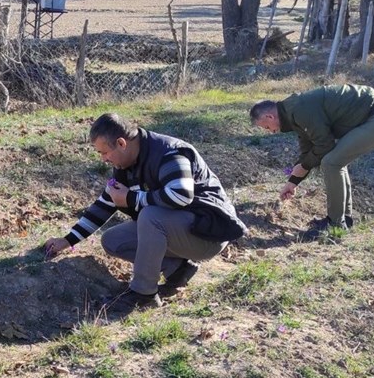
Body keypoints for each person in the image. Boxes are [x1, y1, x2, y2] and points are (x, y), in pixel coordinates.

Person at [44, 113, 247, 317]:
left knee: (151, 216)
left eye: (104, 153)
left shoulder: (169, 153)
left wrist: (132, 198)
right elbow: (104, 204)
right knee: (113, 240)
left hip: (209, 234)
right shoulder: (124, 164)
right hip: (182, 230)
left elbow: (181, 195)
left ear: (121, 143)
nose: (103, 159)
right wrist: (68, 240)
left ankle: (144, 294)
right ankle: (177, 269)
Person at [249, 84, 374, 239]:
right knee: (335, 161)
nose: (271, 132)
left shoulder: (299, 110)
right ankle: (344, 219)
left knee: (331, 162)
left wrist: (304, 166)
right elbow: (308, 151)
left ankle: (335, 224)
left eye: (267, 127)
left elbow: (325, 145)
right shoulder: (293, 112)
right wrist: (293, 182)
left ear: (270, 117)